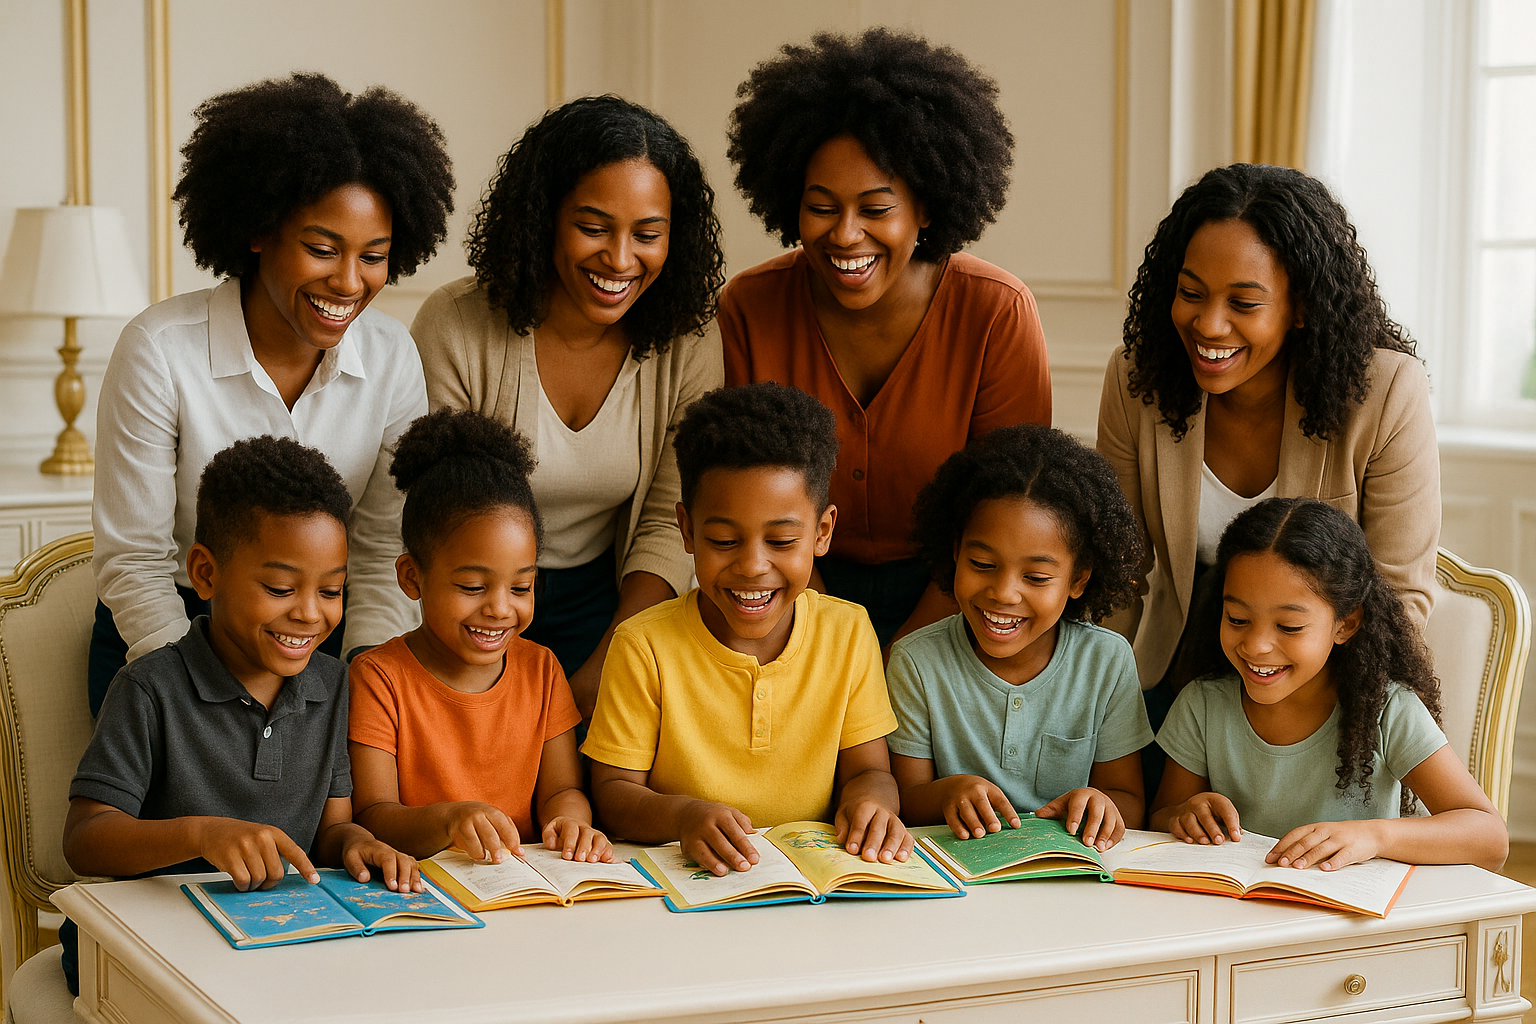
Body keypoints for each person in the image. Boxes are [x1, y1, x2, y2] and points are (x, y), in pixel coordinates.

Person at [90, 73, 454, 716]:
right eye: (322, 248)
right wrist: (206, 706)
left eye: (375, 256)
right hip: (169, 640)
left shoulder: (394, 356)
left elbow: (381, 549)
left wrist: (364, 688)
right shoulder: (158, 349)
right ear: (257, 231)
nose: (349, 282)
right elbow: (136, 562)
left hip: (316, 642)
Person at [720, 27, 1051, 648]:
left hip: (959, 595)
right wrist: (829, 641)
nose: (846, 235)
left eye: (876, 210)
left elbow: (1003, 513)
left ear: (924, 209)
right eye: (822, 207)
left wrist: (907, 653)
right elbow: (744, 500)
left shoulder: (995, 312)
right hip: (787, 591)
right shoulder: (748, 307)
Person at [62, 437, 419, 994]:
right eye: (280, 588)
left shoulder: (333, 685)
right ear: (206, 574)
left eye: (331, 590)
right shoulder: (149, 688)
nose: (308, 613)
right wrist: (201, 834)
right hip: (147, 945)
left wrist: (354, 843)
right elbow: (85, 837)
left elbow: (331, 827)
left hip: (274, 941)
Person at [411, 95, 725, 720]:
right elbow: (428, 508)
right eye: (593, 226)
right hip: (471, 597)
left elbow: (671, 519)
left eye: (648, 234)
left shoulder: (688, 340)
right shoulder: (455, 324)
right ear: (544, 218)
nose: (620, 259)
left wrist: (606, 664)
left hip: (612, 602)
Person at [1097, 163, 1439, 706]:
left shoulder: (1386, 392)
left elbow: (1399, 597)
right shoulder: (1138, 380)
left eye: (1243, 303)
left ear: (1300, 307)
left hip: (1320, 688)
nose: (1209, 325)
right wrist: (1088, 709)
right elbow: (1115, 573)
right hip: (1179, 677)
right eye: (1192, 292)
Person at [582, 382, 911, 875]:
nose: (753, 566)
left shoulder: (848, 631)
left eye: (781, 540)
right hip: (686, 888)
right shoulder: (642, 643)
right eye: (723, 539)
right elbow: (612, 793)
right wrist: (685, 815)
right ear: (687, 531)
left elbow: (870, 772)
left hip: (811, 891)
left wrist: (871, 807)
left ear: (822, 532)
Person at [1149, 498, 1507, 872]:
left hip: (1350, 925)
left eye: (1289, 627)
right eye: (1237, 618)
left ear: (1345, 625)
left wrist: (1375, 836)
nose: (1255, 645)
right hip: (1233, 921)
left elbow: (1490, 838)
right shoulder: (1202, 704)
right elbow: (1159, 816)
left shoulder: (1386, 711)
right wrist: (1184, 814)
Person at [348, 410, 610, 864]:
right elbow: (374, 814)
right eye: (472, 587)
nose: (500, 608)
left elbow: (563, 789)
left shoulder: (542, 669)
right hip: (422, 890)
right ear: (412, 577)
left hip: (520, 889)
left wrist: (571, 822)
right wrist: (450, 821)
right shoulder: (378, 677)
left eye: (522, 587)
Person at [888, 424, 1152, 852]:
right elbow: (907, 800)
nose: (1004, 593)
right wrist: (950, 792)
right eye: (982, 563)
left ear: (1079, 579)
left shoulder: (1106, 660)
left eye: (1036, 577)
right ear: (955, 552)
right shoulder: (916, 661)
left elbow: (1130, 801)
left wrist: (1101, 803)